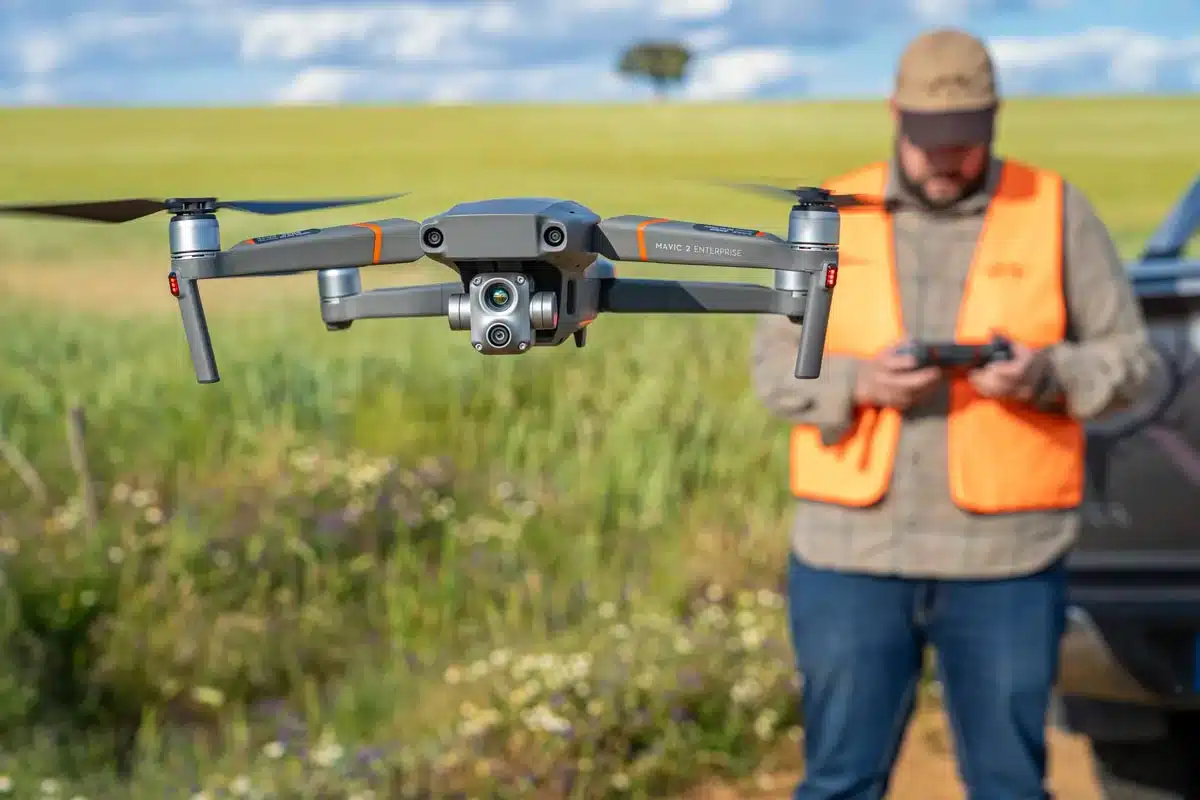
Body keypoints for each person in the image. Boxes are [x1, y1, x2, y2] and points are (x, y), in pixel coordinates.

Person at [750, 27, 1163, 800]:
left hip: (1006, 560)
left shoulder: (1056, 210)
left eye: (964, 140)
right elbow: (773, 366)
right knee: (838, 780)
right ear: (893, 114)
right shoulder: (828, 214)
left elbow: (1134, 361)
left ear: (996, 118)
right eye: (928, 138)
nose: (945, 158)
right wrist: (859, 383)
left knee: (1009, 783)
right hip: (851, 557)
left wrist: (1047, 373)